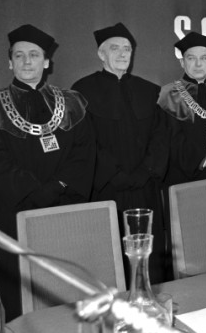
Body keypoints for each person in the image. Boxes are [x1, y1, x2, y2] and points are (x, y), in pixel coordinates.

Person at [0, 24, 95, 321]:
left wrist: (58, 186)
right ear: (10, 62)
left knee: (66, 288)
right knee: (22, 293)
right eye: (20, 55)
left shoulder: (72, 102)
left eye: (34, 55)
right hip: (14, 212)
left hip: (64, 207)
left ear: (46, 62)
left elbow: (84, 152)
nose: (27, 62)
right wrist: (33, 190)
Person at [72, 22, 169, 283]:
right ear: (101, 54)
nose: (123, 54)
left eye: (127, 49)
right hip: (107, 189)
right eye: (115, 49)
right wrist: (114, 175)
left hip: (144, 187)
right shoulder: (82, 91)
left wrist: (146, 171)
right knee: (111, 255)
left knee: (149, 253)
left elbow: (160, 137)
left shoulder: (148, 90)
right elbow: (85, 141)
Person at [158, 31, 206, 185]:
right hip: (185, 176)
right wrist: (202, 161)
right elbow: (172, 140)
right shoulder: (168, 94)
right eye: (191, 58)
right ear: (182, 62)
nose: (198, 64)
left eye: (204, 58)